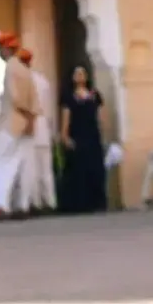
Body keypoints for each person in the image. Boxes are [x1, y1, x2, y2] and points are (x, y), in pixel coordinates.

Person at [0, 33, 38, 216]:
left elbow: (15, 97)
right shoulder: (25, 70)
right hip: (24, 124)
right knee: (18, 165)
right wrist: (31, 120)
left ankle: (0, 205)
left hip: (11, 122)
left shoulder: (10, 67)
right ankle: (21, 205)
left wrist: (25, 114)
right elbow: (34, 100)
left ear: (5, 48)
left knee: (0, 164)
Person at [56, 64, 107, 214]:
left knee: (95, 169)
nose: (80, 76)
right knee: (77, 170)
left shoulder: (94, 95)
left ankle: (96, 203)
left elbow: (101, 115)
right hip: (77, 136)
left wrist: (103, 134)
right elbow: (65, 117)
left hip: (93, 136)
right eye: (77, 73)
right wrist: (65, 136)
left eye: (82, 73)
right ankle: (77, 204)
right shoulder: (68, 96)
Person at [19, 45, 57, 215]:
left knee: (30, 168)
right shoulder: (42, 80)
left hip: (28, 126)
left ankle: (33, 203)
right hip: (42, 125)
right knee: (45, 168)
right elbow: (48, 107)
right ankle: (49, 201)